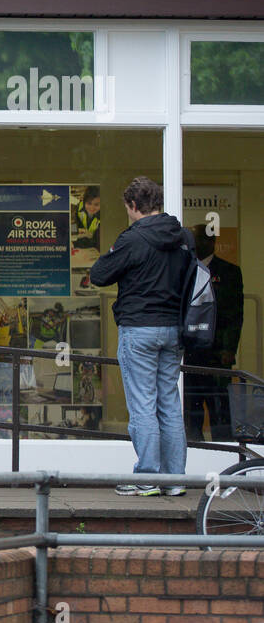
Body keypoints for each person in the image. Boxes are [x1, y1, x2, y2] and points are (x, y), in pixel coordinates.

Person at [89, 177, 191, 496]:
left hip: (139, 328)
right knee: (170, 403)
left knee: (143, 403)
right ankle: (174, 481)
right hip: (174, 328)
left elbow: (99, 274)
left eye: (127, 209)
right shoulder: (183, 236)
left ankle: (148, 476)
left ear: (133, 206)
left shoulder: (133, 239)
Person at [183, 224, 244, 442]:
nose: (194, 244)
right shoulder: (185, 269)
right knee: (191, 408)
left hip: (217, 353)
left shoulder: (229, 272)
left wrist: (229, 348)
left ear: (211, 243)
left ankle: (224, 451)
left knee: (220, 407)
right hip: (189, 352)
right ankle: (194, 450)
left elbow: (235, 315)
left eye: (198, 239)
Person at [74, 185, 102, 251]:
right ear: (84, 202)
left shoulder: (103, 217)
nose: (92, 208)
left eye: (96, 205)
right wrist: (77, 230)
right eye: (89, 203)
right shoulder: (79, 207)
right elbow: (73, 225)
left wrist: (75, 243)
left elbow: (96, 242)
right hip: (84, 241)